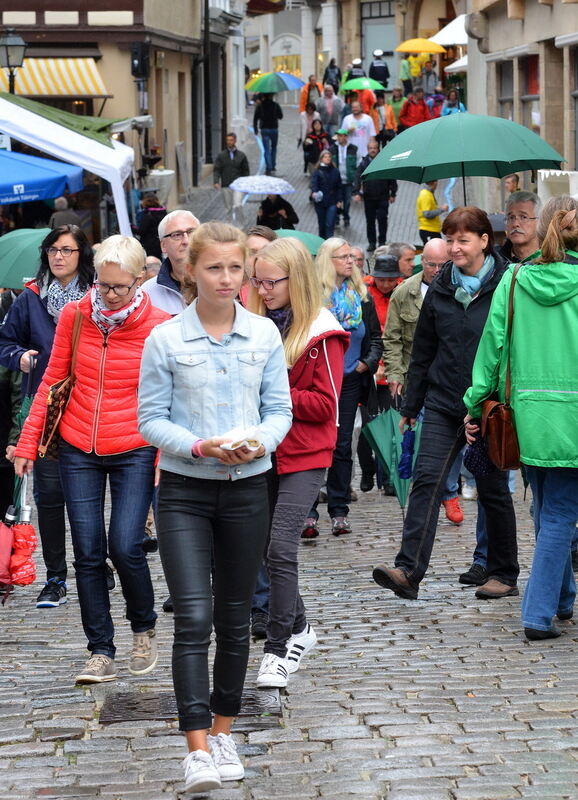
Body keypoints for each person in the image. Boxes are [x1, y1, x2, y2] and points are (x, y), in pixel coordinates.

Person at [137, 222, 292, 793]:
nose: (226, 278)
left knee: (234, 619)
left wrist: (260, 441)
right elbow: (150, 419)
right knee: (194, 617)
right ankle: (196, 747)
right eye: (214, 268)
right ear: (190, 270)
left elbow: (279, 410)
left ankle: (224, 733)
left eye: (234, 268)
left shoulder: (263, 334)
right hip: (184, 491)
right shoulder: (166, 339)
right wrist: (199, 446)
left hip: (248, 488)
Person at [14, 235, 170, 682]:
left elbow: (170, 396)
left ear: (139, 280)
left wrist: (163, 454)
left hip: (135, 446)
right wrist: (26, 443)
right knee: (87, 551)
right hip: (78, 444)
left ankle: (143, 627)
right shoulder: (76, 314)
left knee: (125, 545)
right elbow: (52, 380)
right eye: (102, 284)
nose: (109, 294)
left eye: (120, 286)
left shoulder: (160, 325)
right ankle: (100, 650)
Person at [372, 207, 519, 601]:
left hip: (488, 406)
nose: (454, 248)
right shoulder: (441, 285)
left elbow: (514, 349)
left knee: (491, 488)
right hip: (442, 401)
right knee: (427, 480)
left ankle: (503, 572)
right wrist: (410, 408)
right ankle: (408, 571)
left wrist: (499, 401)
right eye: (450, 239)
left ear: (484, 241)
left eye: (462, 240)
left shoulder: (508, 283)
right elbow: (424, 349)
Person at [464, 195, 578, 640]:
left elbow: (490, 352)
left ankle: (562, 599)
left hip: (527, 416)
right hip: (571, 418)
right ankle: (537, 612)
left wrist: (475, 405)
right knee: (559, 514)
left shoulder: (513, 279)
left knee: (548, 509)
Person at [246, 237, 349, 687]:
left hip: (306, 451)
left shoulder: (321, 332)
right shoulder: (257, 325)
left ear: (296, 280)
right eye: (258, 281)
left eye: (272, 282)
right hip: (264, 449)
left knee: (281, 546)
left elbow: (326, 404)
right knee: (263, 546)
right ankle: (302, 627)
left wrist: (272, 393)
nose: (263, 290)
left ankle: (278, 647)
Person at [0, 225, 93, 608]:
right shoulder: (30, 298)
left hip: (89, 407)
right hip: (44, 409)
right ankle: (56, 577)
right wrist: (19, 357)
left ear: (81, 255)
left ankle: (94, 564)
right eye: (53, 250)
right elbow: (4, 343)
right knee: (50, 496)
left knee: (86, 498)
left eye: (67, 250)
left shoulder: (97, 296)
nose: (58, 256)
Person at [302, 238, 382, 538]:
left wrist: (365, 364)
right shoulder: (312, 297)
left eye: (351, 256)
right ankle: (308, 512)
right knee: (313, 444)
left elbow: (376, 339)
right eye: (343, 256)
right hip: (318, 380)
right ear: (327, 260)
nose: (350, 261)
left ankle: (339, 510)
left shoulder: (361, 296)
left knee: (342, 444)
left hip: (350, 380)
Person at [382, 238, 465, 525]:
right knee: (426, 441)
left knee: (455, 439)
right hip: (418, 380)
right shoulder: (404, 293)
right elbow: (392, 338)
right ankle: (437, 491)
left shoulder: (461, 289)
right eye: (431, 264)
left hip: (451, 378)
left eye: (443, 264)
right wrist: (394, 374)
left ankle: (449, 490)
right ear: (422, 263)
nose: (437, 270)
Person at [357, 253, 403, 493]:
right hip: (370, 366)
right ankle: (367, 470)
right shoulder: (363, 292)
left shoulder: (402, 292)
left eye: (390, 280)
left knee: (390, 426)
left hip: (393, 368)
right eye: (381, 279)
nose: (385, 284)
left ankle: (388, 478)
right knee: (367, 427)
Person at [141, 210, 200, 315]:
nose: (186, 241)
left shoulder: (220, 283)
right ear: (163, 245)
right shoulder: (147, 294)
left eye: (192, 232)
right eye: (177, 235)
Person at [353, 139, 397, 252]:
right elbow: (357, 178)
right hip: (369, 197)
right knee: (370, 221)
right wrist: (357, 192)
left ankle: (382, 241)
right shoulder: (363, 164)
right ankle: (372, 242)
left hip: (383, 196)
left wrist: (393, 193)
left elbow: (392, 177)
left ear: (378, 149)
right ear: (368, 150)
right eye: (370, 148)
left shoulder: (385, 162)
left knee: (382, 219)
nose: (373, 150)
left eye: (375, 148)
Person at [213, 132, 250, 226]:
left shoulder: (241, 156)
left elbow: (246, 171)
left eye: (231, 140)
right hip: (226, 184)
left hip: (238, 186)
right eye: (228, 140)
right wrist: (216, 181)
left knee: (238, 205)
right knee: (228, 207)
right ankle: (228, 225)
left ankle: (241, 225)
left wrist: (246, 185)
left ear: (235, 141)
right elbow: (217, 169)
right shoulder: (221, 156)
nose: (229, 142)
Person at [498, 191, 540, 263]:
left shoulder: (552, 260)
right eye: (511, 217)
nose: (515, 224)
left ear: (539, 221)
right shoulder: (496, 261)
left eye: (523, 217)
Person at [330, 128, 359, 229]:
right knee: (336, 200)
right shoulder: (332, 148)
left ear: (346, 137)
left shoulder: (353, 148)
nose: (339, 138)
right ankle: (336, 217)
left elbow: (358, 163)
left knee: (347, 201)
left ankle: (346, 216)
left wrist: (357, 177)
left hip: (348, 180)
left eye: (341, 136)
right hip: (336, 181)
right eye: (338, 136)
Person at [310, 151, 343, 240]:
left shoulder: (335, 171)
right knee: (322, 224)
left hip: (332, 201)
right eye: (325, 157)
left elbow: (339, 187)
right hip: (320, 202)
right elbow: (314, 184)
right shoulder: (317, 172)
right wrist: (314, 192)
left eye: (329, 157)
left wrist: (339, 200)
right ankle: (322, 242)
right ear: (321, 159)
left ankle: (329, 243)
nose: (327, 158)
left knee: (330, 224)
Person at [253, 94, 283, 175]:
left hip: (264, 129)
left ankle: (269, 167)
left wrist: (255, 128)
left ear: (263, 96)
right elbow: (281, 116)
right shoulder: (276, 105)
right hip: (274, 129)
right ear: (272, 96)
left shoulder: (260, 106)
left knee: (266, 149)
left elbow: (255, 118)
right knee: (274, 147)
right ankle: (273, 165)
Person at [416, 180, 448, 245]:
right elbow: (427, 214)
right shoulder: (426, 195)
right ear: (435, 183)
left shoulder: (428, 193)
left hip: (432, 230)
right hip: (429, 230)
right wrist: (441, 209)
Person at [136, 193, 167, 260]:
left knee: (150, 262)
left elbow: (141, 231)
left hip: (149, 245)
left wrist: (131, 226)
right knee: (159, 261)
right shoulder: (163, 213)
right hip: (160, 242)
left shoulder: (147, 215)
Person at [299, 102, 321, 171]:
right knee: (306, 153)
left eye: (311, 109)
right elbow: (300, 126)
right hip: (306, 136)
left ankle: (311, 165)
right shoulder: (302, 115)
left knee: (313, 151)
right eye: (308, 109)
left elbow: (319, 124)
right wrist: (300, 136)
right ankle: (306, 164)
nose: (310, 111)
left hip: (314, 136)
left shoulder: (317, 115)